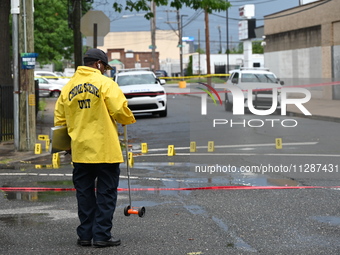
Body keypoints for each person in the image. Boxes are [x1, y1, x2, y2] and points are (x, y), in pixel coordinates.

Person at [54, 48, 136, 248]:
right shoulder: (105, 83)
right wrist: (127, 118)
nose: (105, 70)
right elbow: (120, 110)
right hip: (105, 149)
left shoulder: (68, 87)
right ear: (99, 64)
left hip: (80, 150)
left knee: (84, 193)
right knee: (106, 193)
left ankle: (85, 234)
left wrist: (66, 146)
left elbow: (60, 120)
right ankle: (101, 235)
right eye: (104, 67)